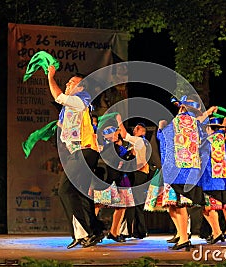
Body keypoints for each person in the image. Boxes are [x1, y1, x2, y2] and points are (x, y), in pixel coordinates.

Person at [47, 65, 105, 249]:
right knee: (81, 194)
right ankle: (94, 230)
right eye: (68, 81)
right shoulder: (69, 108)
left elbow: (58, 97)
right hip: (82, 152)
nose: (68, 83)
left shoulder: (83, 98)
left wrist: (50, 77)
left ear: (81, 87)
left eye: (72, 82)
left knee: (65, 190)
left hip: (85, 151)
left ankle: (85, 233)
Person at [156, 95, 215, 250]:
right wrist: (208, 113)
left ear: (181, 108)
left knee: (179, 203)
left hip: (177, 170)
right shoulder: (196, 124)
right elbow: (203, 140)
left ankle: (184, 237)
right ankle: (184, 236)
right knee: (182, 203)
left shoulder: (175, 123)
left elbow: (164, 139)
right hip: (192, 170)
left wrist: (160, 129)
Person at [199, 117, 226, 245]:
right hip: (220, 179)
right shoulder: (220, 139)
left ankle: (217, 232)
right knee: (213, 207)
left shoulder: (209, 140)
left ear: (210, 128)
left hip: (209, 179)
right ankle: (219, 231)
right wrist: (224, 126)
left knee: (207, 207)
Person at [116, 116, 150, 239]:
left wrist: (119, 121)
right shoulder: (139, 143)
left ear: (142, 131)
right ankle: (138, 231)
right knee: (136, 204)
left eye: (136, 129)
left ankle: (135, 231)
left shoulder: (140, 141)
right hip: (140, 174)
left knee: (134, 204)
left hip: (139, 174)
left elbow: (125, 135)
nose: (134, 130)